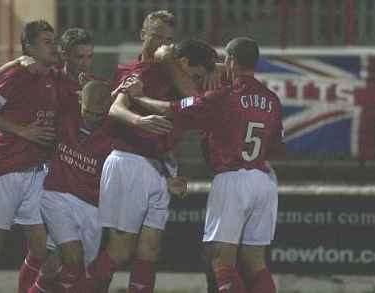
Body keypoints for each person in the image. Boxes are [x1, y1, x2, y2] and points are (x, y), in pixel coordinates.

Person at [122, 37, 285, 293]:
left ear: (230, 60)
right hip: (264, 180)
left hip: (232, 178)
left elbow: (172, 109)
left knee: (219, 258)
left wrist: (140, 97)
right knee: (255, 262)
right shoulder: (272, 99)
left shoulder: (224, 96)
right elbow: (276, 147)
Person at [89, 37, 217, 293]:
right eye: (196, 75)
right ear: (181, 63)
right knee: (120, 249)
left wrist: (173, 173)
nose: (198, 82)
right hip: (129, 160)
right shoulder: (148, 72)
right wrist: (139, 121)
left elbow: (171, 132)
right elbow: (115, 108)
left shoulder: (190, 96)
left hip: (158, 169)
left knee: (150, 249)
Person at [0, 20, 59, 293]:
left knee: (43, 250)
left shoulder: (51, 75)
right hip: (3, 170)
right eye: (46, 41)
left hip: (37, 172)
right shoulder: (19, 76)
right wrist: (24, 132)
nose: (53, 46)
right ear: (29, 47)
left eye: (54, 40)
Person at [29, 80, 113, 293]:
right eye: (88, 111)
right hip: (57, 196)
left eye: (98, 114)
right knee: (73, 257)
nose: (92, 118)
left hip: (93, 206)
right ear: (79, 100)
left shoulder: (115, 132)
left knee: (63, 267)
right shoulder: (64, 115)